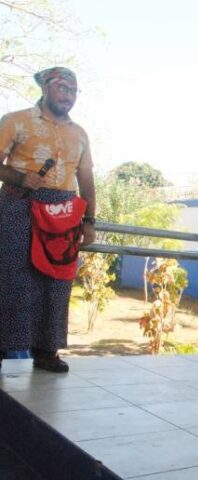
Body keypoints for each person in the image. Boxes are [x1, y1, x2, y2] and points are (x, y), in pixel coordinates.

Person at [0, 67, 96, 373]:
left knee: (56, 282)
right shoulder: (15, 121)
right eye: (62, 88)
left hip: (63, 214)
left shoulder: (79, 133)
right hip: (19, 206)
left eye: (73, 90)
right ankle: (3, 349)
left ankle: (46, 352)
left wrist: (90, 221)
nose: (68, 96)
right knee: (13, 278)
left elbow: (86, 179)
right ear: (45, 88)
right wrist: (18, 177)